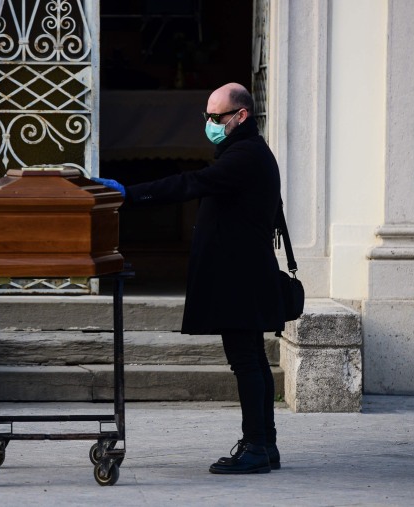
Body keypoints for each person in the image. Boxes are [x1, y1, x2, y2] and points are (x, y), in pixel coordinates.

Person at [94, 83, 284, 474]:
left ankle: (258, 447)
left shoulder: (245, 155)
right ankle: (263, 444)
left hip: (241, 277)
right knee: (252, 361)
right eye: (207, 117)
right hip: (244, 273)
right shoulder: (246, 151)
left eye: (216, 118)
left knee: (247, 362)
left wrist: (129, 193)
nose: (210, 124)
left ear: (240, 116)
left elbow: (190, 184)